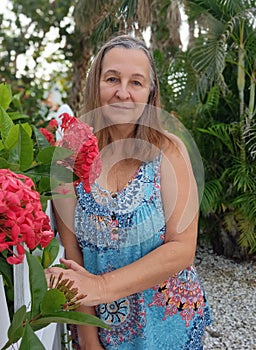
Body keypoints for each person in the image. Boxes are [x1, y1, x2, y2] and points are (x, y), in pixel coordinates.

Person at [48, 34, 212, 350]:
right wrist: (89, 339)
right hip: (104, 328)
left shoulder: (169, 151)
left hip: (169, 326)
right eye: (112, 79)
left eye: (136, 82)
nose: (123, 93)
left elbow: (182, 248)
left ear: (151, 92)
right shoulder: (68, 155)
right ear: (95, 84)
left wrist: (101, 285)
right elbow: (73, 255)